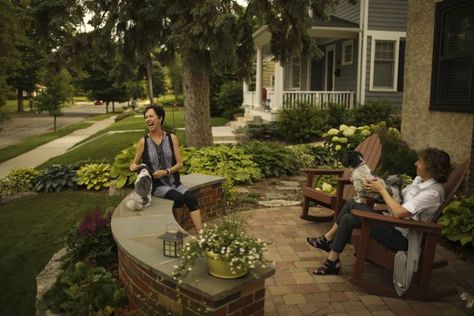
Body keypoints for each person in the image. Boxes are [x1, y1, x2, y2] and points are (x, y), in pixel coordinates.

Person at [306, 148, 451, 275]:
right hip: (394, 225)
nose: (415, 163)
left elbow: (399, 212)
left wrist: (381, 190)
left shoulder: (432, 193)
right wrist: (381, 186)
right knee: (347, 219)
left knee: (353, 203)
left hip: (403, 238)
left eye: (419, 161)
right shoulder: (419, 181)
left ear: (430, 167)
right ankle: (332, 261)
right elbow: (398, 198)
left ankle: (327, 239)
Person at [130, 104, 203, 231]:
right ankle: (178, 229)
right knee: (178, 198)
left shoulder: (171, 138)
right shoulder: (143, 142)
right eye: (146, 117)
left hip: (174, 182)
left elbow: (180, 164)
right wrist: (136, 167)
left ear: (160, 118)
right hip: (157, 185)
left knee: (191, 198)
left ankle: (202, 234)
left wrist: (166, 172)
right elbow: (133, 164)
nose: (148, 119)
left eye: (151, 116)